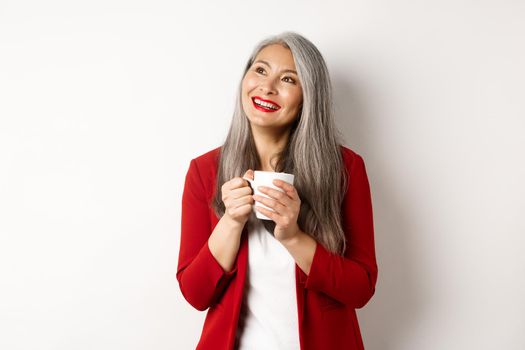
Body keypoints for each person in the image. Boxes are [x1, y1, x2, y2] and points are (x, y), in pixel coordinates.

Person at [177, 31, 378, 350]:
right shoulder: (205, 171)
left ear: (308, 97)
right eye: (260, 70)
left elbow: (361, 289)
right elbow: (195, 294)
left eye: (288, 79)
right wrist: (230, 221)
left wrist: (294, 237)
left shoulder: (345, 169)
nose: (267, 87)